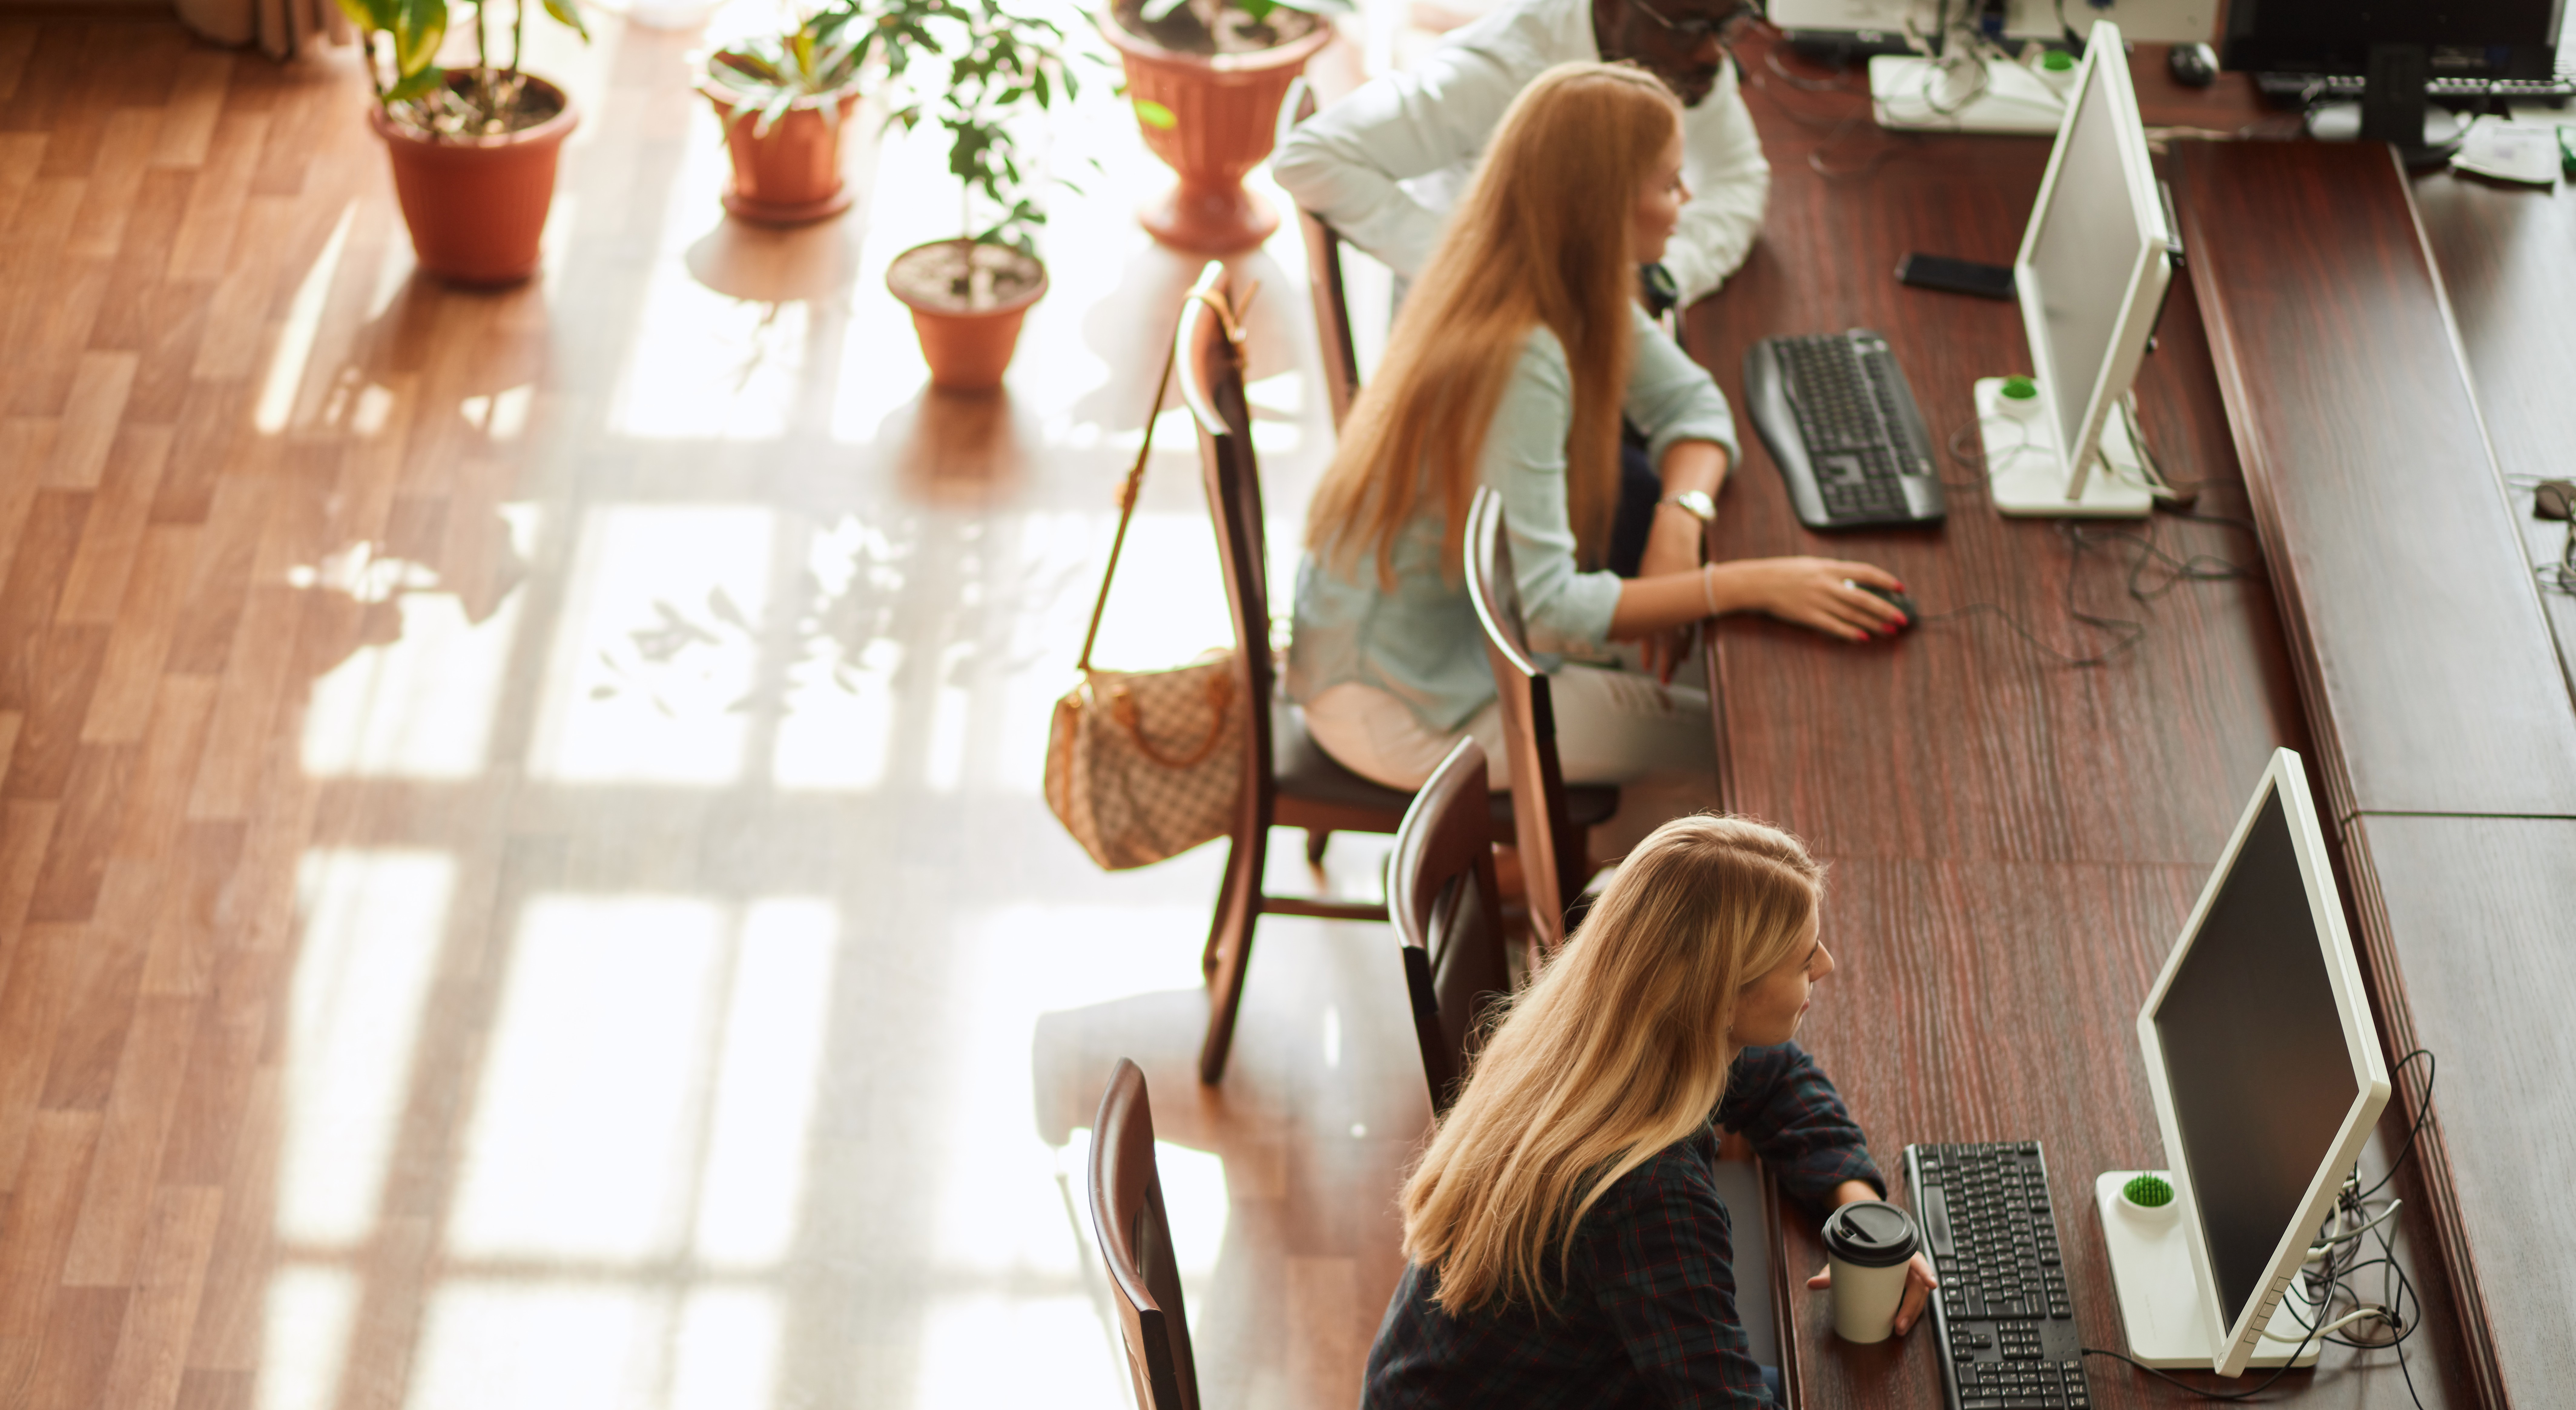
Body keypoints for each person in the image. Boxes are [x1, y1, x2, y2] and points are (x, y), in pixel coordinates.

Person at [1286, 63, 1906, 822]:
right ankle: (1557, 910)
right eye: (1671, 184)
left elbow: (1691, 403)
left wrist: (1681, 523)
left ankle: (1562, 881)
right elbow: (1549, 611)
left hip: (1433, 651)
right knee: (1739, 746)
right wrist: (1751, 583)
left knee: (1715, 695)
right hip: (1404, 706)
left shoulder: (1540, 269)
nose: (1685, 203)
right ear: (1606, 204)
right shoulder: (1519, 353)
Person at [1363, 813, 1937, 1407]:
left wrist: (1862, 1218)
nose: (1826, 965)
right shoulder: (1648, 1193)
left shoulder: (1608, 1032)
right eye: (1800, 960)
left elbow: (1781, 1077)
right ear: (1719, 996)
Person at [1275, 0, 1769, 310]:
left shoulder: (1682, 51)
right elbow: (1310, 157)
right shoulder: (1494, 74)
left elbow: (1736, 177)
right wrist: (1480, 272)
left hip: (1583, 316)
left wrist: (1664, 279)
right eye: (1689, 26)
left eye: (1729, 24)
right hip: (1473, 333)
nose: (1713, 54)